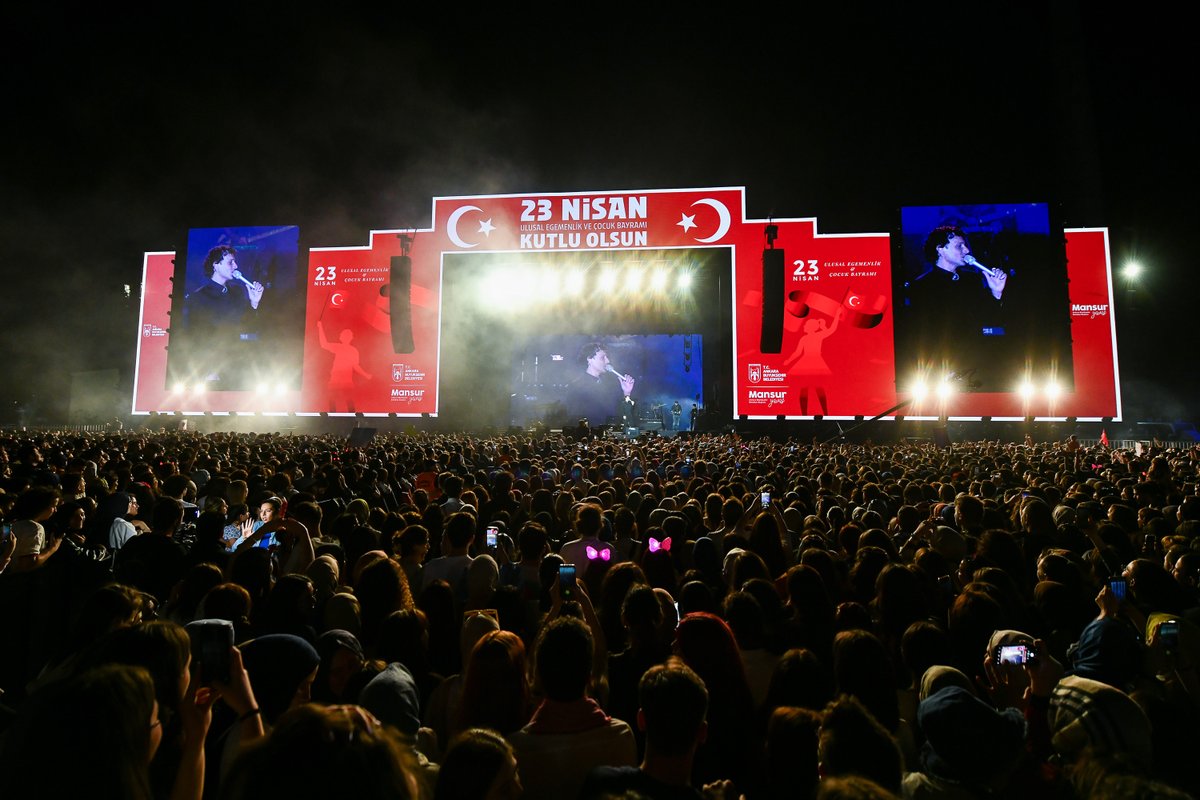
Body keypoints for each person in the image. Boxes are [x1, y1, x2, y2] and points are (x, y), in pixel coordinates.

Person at [900, 225, 1012, 390]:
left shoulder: (972, 280)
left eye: (965, 245)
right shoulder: (921, 286)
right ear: (940, 249)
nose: (966, 250)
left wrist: (996, 292)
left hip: (979, 365)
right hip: (943, 370)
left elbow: (991, 320)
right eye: (959, 245)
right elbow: (921, 334)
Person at [183, 244, 265, 387]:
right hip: (214, 371)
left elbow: (248, 327)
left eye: (234, 261)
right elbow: (194, 338)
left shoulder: (237, 292)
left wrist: (254, 303)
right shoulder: (198, 297)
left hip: (239, 366)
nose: (235, 265)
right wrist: (207, 369)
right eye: (230, 262)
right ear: (216, 265)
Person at [565, 342, 635, 428]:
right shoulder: (576, 387)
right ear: (589, 359)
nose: (608, 361)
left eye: (607, 357)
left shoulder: (609, 385)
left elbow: (620, 415)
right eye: (602, 358)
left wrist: (626, 393)